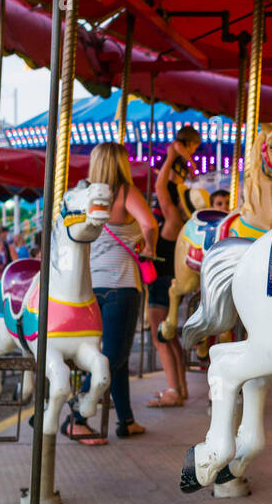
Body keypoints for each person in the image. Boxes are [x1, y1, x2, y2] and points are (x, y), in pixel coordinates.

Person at [63, 142, 160, 444]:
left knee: (110, 356)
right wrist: (149, 247)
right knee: (114, 356)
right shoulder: (124, 192)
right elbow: (150, 224)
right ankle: (75, 416)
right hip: (121, 285)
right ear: (120, 163)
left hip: (89, 289)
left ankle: (126, 419)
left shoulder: (85, 194)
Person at [148, 125, 200, 408]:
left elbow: (159, 187)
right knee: (171, 335)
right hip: (170, 279)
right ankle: (181, 388)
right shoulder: (181, 221)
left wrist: (169, 158)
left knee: (159, 334)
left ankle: (172, 390)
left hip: (160, 279)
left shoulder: (170, 219)